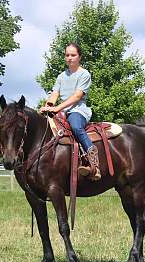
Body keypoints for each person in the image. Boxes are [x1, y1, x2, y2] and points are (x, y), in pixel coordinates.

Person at [39, 42, 101, 181]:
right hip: (62, 111)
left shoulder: (84, 74)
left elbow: (77, 96)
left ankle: (94, 163)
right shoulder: (61, 76)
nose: (70, 58)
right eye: (67, 55)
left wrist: (57, 108)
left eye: (73, 55)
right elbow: (55, 94)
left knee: (75, 126)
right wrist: (48, 106)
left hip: (78, 110)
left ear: (79, 57)